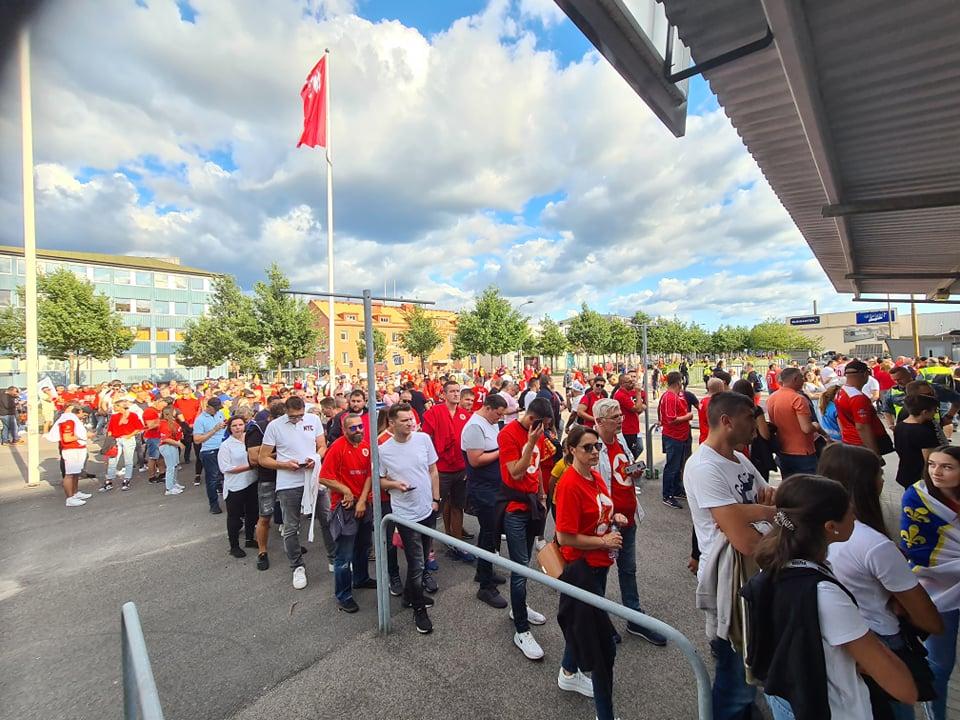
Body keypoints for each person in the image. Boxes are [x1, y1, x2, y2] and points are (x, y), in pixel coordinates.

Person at [743, 474, 917, 720]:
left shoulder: (776, 561)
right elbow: (904, 689)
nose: (855, 517)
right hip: (830, 707)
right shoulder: (825, 594)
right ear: (831, 527)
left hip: (786, 695)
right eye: (850, 512)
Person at [820, 443, 942, 720]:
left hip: (839, 643)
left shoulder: (812, 530)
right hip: (884, 644)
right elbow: (931, 621)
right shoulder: (874, 545)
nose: (883, 479)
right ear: (863, 482)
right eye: (878, 473)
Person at [683, 391, 776, 719]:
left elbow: (771, 497)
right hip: (731, 584)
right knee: (734, 683)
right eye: (751, 416)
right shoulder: (704, 467)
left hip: (754, 580)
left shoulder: (741, 459)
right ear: (726, 421)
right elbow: (745, 541)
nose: (757, 423)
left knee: (746, 677)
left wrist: (752, 511)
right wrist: (762, 511)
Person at [553, 424, 626, 720]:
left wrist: (613, 518)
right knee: (601, 644)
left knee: (581, 624)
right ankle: (604, 714)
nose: (595, 451)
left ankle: (568, 672)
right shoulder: (569, 483)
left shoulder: (594, 476)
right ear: (572, 450)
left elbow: (599, 512)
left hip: (598, 565)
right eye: (587, 447)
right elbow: (564, 537)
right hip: (581, 569)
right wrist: (603, 540)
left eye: (596, 446)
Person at [592, 398, 667, 646]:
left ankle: (634, 618)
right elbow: (592, 486)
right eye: (615, 417)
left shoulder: (621, 439)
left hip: (629, 517)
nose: (621, 420)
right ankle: (600, 623)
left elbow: (621, 471)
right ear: (600, 421)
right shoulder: (592, 447)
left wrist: (633, 471)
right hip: (606, 523)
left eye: (621, 416)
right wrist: (610, 515)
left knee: (628, 569)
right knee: (599, 572)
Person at [901, 446, 960, 720]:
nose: (936, 472)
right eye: (933, 464)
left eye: (947, 467)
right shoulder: (917, 497)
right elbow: (914, 548)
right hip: (936, 591)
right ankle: (936, 715)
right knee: (939, 664)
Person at [497, 397, 553, 660]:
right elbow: (517, 472)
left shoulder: (539, 433)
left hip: (532, 505)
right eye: (544, 427)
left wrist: (542, 496)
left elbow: (537, 469)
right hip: (514, 509)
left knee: (526, 562)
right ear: (533, 420)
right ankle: (521, 629)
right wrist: (530, 443)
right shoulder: (509, 435)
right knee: (519, 566)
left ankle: (519, 607)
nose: (546, 432)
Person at [378, 402, 440, 635]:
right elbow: (380, 480)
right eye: (404, 420)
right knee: (417, 565)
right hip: (405, 515)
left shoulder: (423, 439)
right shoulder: (384, 450)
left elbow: (433, 470)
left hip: (427, 509)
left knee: (423, 558)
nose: (410, 423)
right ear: (392, 424)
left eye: (411, 418)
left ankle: (409, 596)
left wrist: (436, 500)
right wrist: (395, 485)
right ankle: (419, 610)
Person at [258, 396, 328, 589]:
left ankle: (334, 558)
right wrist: (284, 465)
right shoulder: (275, 426)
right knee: (291, 526)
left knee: (326, 518)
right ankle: (297, 566)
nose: (297, 419)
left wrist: (316, 457)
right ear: (285, 411)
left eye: (300, 415)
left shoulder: (313, 420)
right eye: (293, 416)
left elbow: (322, 445)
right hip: (288, 483)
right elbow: (263, 458)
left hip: (313, 478)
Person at [319, 411, 375, 613]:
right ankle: (343, 595)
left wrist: (362, 500)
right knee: (344, 555)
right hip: (344, 509)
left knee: (363, 546)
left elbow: (370, 475)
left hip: (364, 505)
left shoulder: (367, 446)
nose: (358, 430)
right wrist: (346, 491)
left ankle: (361, 578)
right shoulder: (337, 448)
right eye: (353, 428)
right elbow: (324, 477)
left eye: (360, 426)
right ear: (344, 429)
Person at [462, 393, 509, 608]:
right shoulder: (475, 426)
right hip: (482, 488)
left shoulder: (490, 423)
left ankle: (485, 570)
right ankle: (485, 586)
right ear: (488, 408)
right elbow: (476, 459)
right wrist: (502, 452)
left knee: (491, 532)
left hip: (493, 486)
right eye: (497, 414)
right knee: (489, 532)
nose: (498, 419)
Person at [421, 380, 473, 562]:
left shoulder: (465, 415)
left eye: (458, 391)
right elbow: (426, 440)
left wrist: (468, 467)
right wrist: (429, 466)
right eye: (452, 391)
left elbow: (468, 444)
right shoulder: (433, 413)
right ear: (443, 394)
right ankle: (429, 550)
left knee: (458, 505)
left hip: (460, 468)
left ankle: (457, 543)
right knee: (434, 508)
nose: (456, 394)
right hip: (440, 469)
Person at [248, 399, 286, 571]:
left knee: (289, 515)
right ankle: (262, 551)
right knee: (265, 516)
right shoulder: (257, 429)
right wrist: (281, 453)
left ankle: (290, 545)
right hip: (268, 478)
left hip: (287, 476)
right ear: (271, 418)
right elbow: (254, 458)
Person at [766, 367, 818, 476]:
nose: (803, 380)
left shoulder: (771, 398)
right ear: (795, 379)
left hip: (783, 449)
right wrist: (816, 426)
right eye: (801, 377)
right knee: (809, 488)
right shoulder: (798, 398)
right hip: (802, 451)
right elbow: (806, 428)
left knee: (790, 487)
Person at [218, 416, 258, 558]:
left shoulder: (249, 440)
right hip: (235, 486)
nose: (238, 428)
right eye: (234, 425)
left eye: (240, 424)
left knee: (252, 513)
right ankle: (234, 546)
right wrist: (250, 466)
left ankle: (249, 539)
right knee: (234, 517)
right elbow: (225, 468)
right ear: (230, 428)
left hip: (251, 482)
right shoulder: (226, 445)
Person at [835, 359, 889, 456]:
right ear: (865, 374)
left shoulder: (841, 392)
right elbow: (862, 427)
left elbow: (840, 418)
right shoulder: (858, 397)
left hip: (850, 440)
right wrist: (875, 454)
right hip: (861, 444)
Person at [658, 371, 693, 509]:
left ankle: (676, 490)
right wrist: (688, 416)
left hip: (679, 436)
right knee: (672, 467)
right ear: (679, 382)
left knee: (677, 466)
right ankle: (667, 495)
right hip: (673, 436)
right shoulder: (670, 397)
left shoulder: (673, 396)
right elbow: (671, 419)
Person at [47, 404, 92, 507]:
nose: (84, 417)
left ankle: (75, 493)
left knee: (75, 473)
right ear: (79, 411)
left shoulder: (74, 420)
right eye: (84, 414)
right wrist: (85, 435)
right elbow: (67, 438)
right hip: (71, 450)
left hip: (78, 449)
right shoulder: (68, 421)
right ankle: (70, 498)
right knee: (69, 474)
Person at [894, 393, 942, 489]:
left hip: (905, 472)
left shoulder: (900, 426)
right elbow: (929, 459)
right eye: (934, 410)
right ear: (924, 412)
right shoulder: (924, 432)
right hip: (919, 476)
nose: (935, 413)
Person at [193, 397, 227, 514]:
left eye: (218, 408)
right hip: (209, 451)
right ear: (208, 407)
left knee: (226, 475)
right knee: (212, 478)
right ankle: (213, 504)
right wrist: (214, 430)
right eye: (215, 409)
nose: (217, 411)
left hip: (223, 448)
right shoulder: (200, 420)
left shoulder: (220, 413)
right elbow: (197, 439)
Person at [103, 398, 143, 492]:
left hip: (128, 439)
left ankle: (127, 479)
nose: (114, 407)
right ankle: (109, 480)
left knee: (128, 460)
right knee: (113, 460)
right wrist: (109, 440)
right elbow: (110, 429)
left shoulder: (132, 415)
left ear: (121, 407)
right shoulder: (114, 416)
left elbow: (139, 428)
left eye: (116, 406)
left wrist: (129, 435)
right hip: (116, 439)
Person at [612, 370, 646, 459]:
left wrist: (641, 405)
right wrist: (638, 393)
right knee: (629, 451)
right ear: (622, 383)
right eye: (629, 382)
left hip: (633, 427)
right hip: (626, 429)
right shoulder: (620, 395)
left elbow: (643, 402)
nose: (633, 383)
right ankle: (628, 467)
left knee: (637, 449)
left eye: (633, 380)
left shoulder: (627, 393)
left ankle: (630, 465)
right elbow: (637, 408)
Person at [157, 405, 185, 496]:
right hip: (167, 446)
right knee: (170, 467)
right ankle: (169, 488)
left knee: (175, 465)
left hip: (173, 446)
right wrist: (179, 444)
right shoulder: (164, 423)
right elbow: (165, 439)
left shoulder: (172, 422)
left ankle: (174, 483)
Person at [141, 397, 167, 486]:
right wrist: (163, 422)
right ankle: (152, 476)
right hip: (152, 437)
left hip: (158, 436)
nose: (162, 408)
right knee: (153, 457)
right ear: (157, 402)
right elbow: (150, 425)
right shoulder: (150, 411)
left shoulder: (156, 411)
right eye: (162, 406)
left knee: (160, 456)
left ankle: (162, 473)